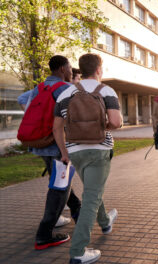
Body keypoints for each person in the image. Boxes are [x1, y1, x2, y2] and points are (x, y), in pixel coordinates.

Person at [53, 53, 122, 264]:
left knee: (93, 190)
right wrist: (101, 127)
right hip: (99, 150)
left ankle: (105, 221)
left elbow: (56, 127)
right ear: (99, 69)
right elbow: (117, 122)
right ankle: (78, 251)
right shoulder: (106, 91)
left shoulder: (66, 93)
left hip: (75, 152)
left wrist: (64, 153)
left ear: (80, 70)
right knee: (92, 197)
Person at [17, 55, 82, 250]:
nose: (71, 71)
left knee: (60, 183)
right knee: (59, 188)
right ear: (63, 68)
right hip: (58, 146)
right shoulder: (65, 88)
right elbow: (74, 118)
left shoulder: (40, 87)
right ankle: (44, 234)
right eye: (70, 67)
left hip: (41, 143)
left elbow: (24, 103)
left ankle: (78, 212)